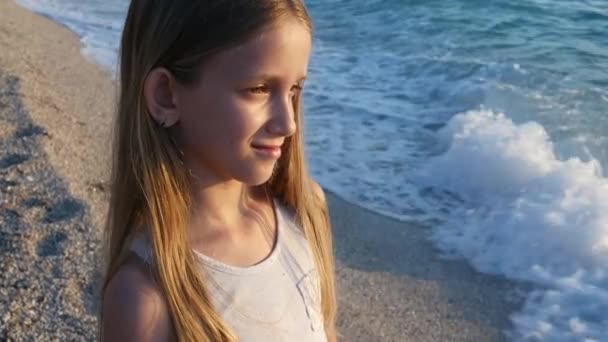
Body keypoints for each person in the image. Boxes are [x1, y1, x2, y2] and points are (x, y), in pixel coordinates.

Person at [98, 1, 337, 341]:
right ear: (166, 96)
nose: (289, 123)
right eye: (258, 89)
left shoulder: (306, 212)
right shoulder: (145, 299)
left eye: (295, 90)